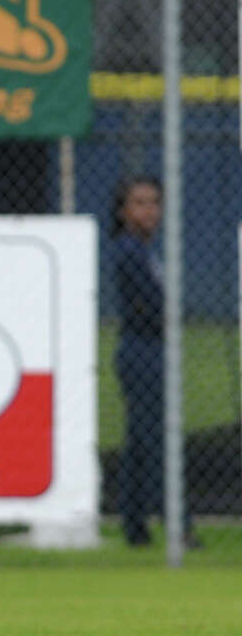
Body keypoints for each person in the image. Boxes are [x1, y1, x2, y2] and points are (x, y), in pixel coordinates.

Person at [106, 175, 200, 549]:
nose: (149, 210)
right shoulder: (129, 250)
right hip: (142, 349)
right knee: (156, 439)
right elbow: (149, 307)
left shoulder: (146, 250)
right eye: (140, 202)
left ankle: (134, 526)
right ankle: (180, 524)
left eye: (154, 202)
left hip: (150, 349)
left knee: (139, 440)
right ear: (124, 210)